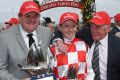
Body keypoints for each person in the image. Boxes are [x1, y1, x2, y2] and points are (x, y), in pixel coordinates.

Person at [0, 1, 52, 80]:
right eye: (27, 16)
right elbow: (1, 69)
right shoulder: (5, 37)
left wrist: (59, 40)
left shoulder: (47, 33)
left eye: (35, 16)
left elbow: (61, 35)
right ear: (19, 17)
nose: (32, 19)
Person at [49, 12, 89, 80]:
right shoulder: (52, 47)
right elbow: (48, 74)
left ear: (77, 27)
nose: (70, 30)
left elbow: (90, 71)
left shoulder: (85, 44)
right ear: (60, 27)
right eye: (66, 26)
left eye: (73, 26)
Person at [87, 11, 120, 80]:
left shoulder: (117, 44)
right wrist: (59, 40)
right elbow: (65, 30)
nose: (93, 30)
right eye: (92, 26)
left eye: (97, 27)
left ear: (107, 28)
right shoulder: (87, 36)